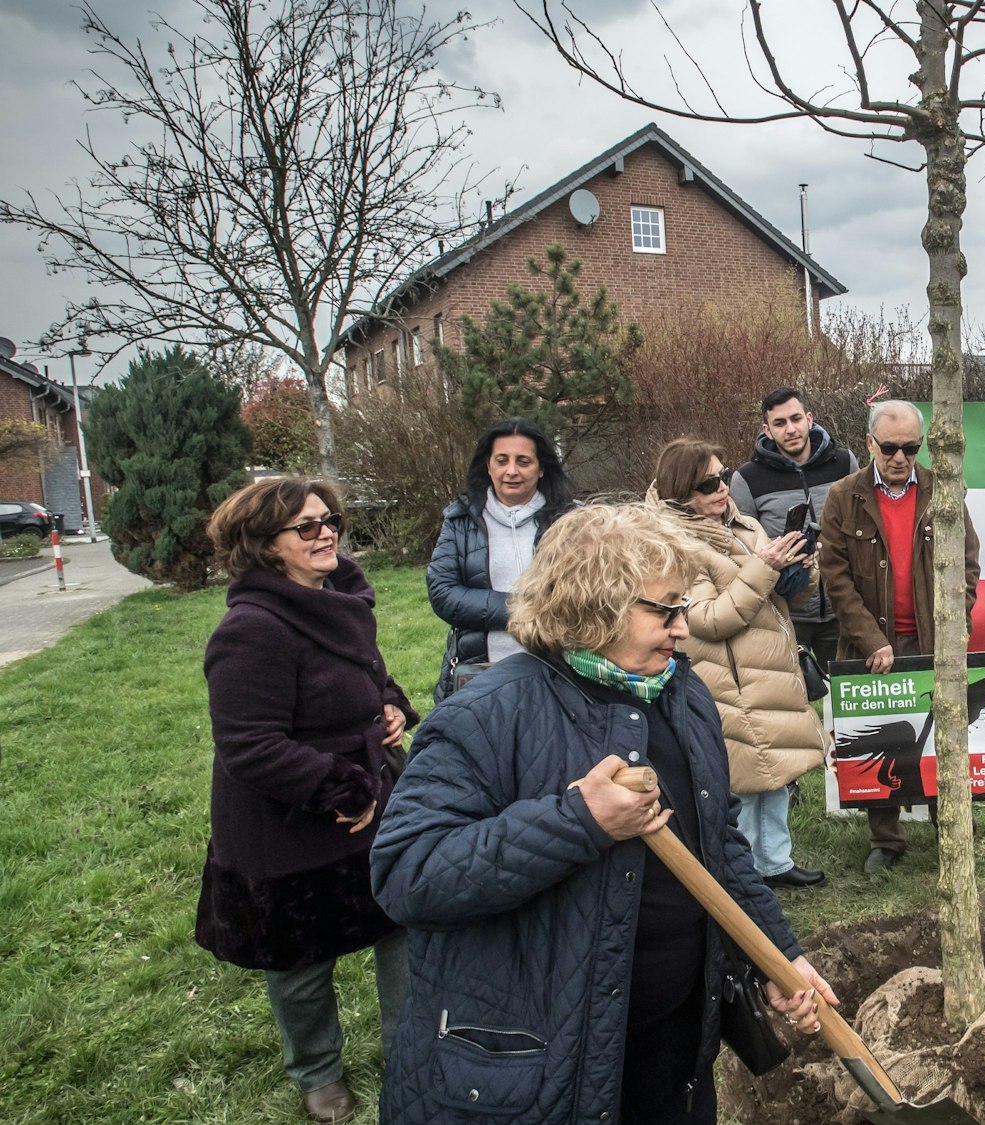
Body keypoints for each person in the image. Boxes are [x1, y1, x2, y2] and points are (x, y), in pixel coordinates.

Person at [371, 503, 836, 1125]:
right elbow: (407, 875)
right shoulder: (487, 714)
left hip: (669, 1046)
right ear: (596, 607)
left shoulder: (681, 694)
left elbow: (719, 846)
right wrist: (576, 820)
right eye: (665, 609)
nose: (682, 626)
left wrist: (776, 954)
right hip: (541, 1063)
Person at [198, 477, 416, 1125]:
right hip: (285, 819)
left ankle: (412, 1051)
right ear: (266, 546)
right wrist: (342, 788)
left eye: (331, 521)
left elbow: (367, 672)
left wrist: (391, 705)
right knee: (300, 954)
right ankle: (317, 1071)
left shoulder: (339, 600)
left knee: (402, 925)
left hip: (371, 802)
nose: (327, 533)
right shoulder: (251, 629)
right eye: (307, 527)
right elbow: (250, 745)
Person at [652, 436, 828, 890]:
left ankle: (774, 862)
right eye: (708, 483)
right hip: (726, 681)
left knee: (773, 776)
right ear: (681, 491)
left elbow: (781, 598)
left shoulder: (744, 526)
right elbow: (707, 620)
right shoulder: (676, 547)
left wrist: (802, 569)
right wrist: (766, 567)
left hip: (764, 669)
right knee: (743, 784)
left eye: (724, 475)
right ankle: (741, 873)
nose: (722, 488)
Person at [818, 399, 981, 874]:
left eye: (911, 448)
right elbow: (836, 576)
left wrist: (956, 626)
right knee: (880, 740)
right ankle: (885, 840)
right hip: (873, 647)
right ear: (869, 443)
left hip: (934, 643)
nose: (900, 458)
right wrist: (871, 640)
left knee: (942, 736)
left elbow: (967, 564)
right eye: (890, 447)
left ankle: (949, 828)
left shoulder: (943, 491)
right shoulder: (843, 496)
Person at [426, 417, 578, 703]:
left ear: (542, 467)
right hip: (481, 674)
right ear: (488, 465)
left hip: (561, 672)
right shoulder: (460, 520)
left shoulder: (572, 520)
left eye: (523, 461)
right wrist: (522, 610)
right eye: (502, 460)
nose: (511, 471)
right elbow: (442, 591)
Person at [730, 386, 861, 667]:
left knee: (848, 699)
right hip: (787, 610)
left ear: (809, 419)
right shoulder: (747, 479)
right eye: (780, 423)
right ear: (767, 429)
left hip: (844, 604)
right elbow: (743, 547)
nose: (790, 429)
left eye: (796, 419)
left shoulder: (844, 462)